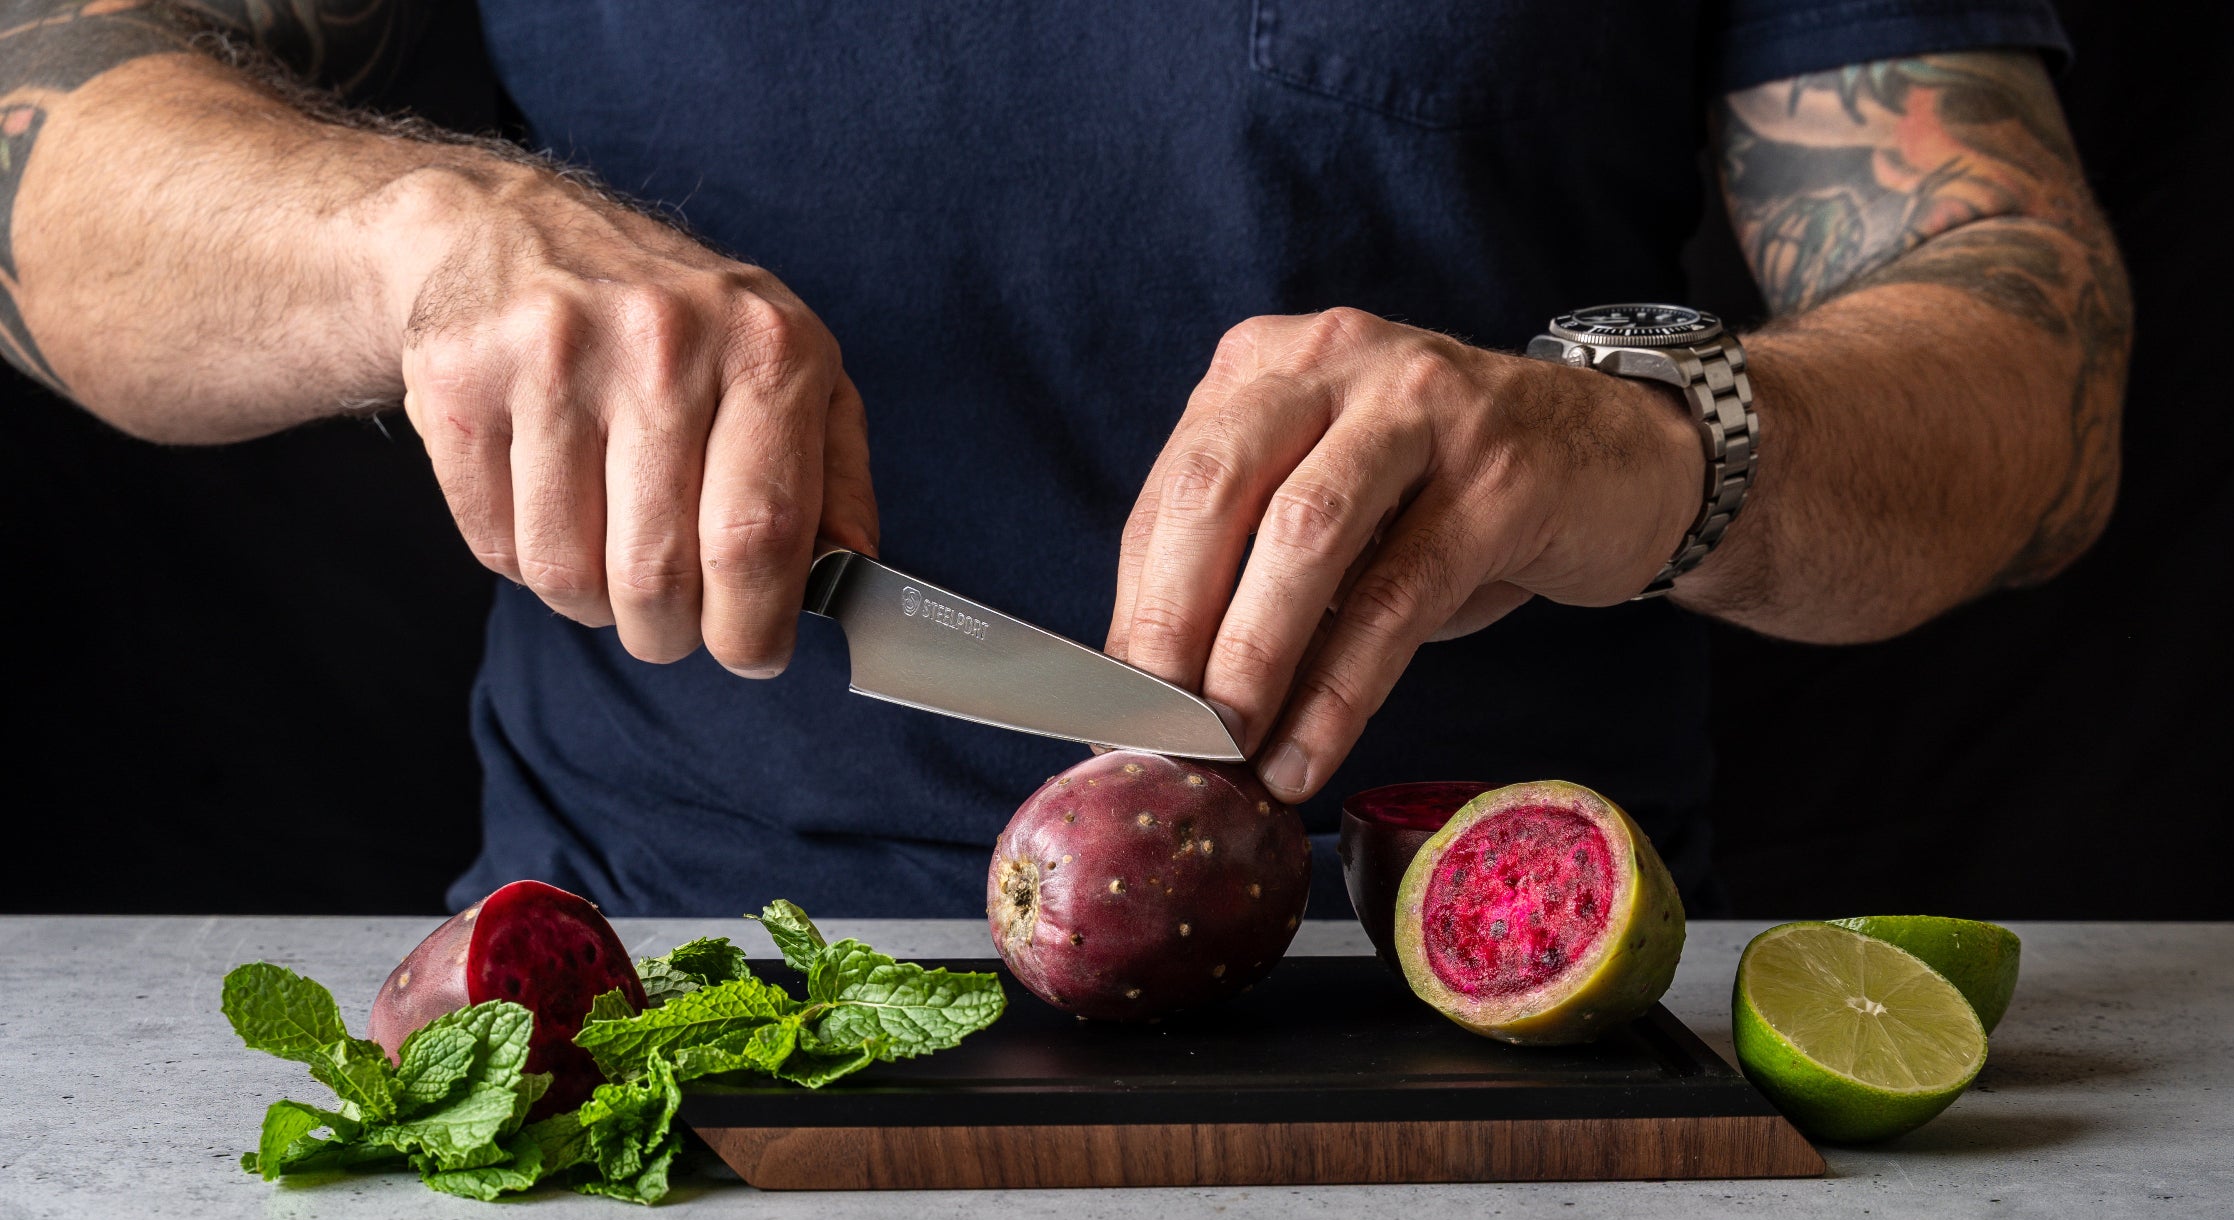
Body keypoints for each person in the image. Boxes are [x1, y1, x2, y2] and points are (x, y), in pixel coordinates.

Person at [0, 0, 2126, 916]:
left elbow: (2035, 376)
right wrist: (416, 240)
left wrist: (1642, 442)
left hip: (1461, 1051)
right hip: (659, 1008)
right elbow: (39, 150)